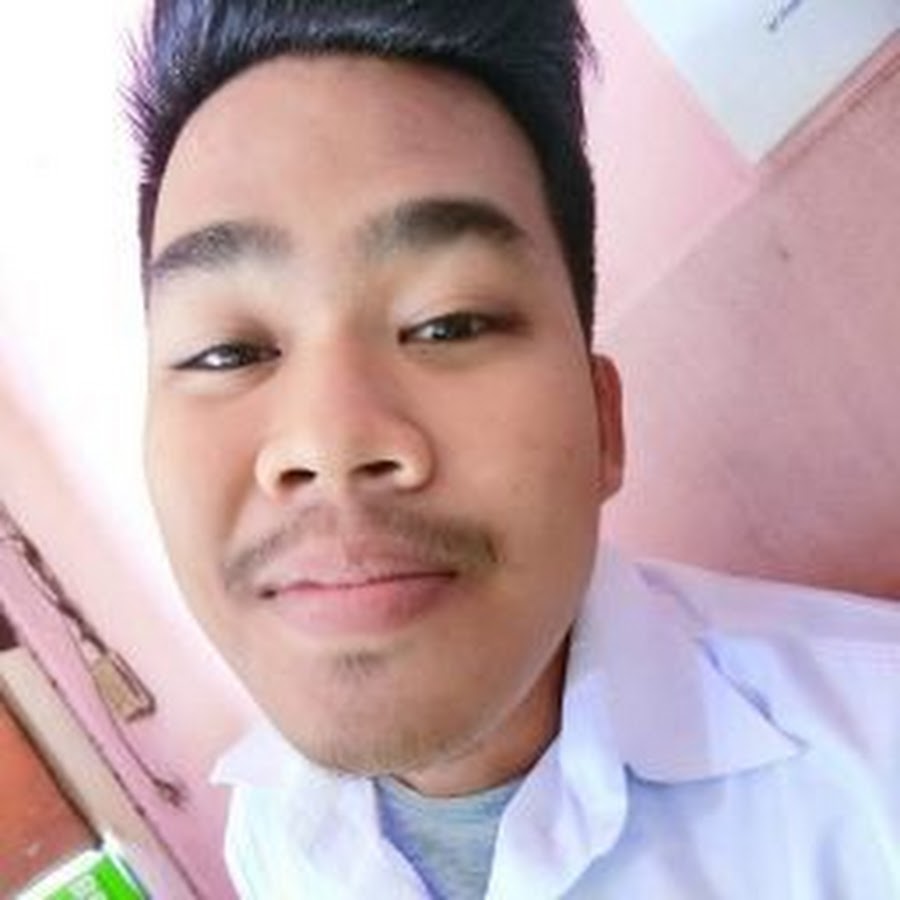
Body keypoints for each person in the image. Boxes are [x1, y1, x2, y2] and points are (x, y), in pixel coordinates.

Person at [131, 1, 900, 897]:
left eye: (448, 324)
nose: (330, 442)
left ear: (604, 422)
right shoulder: (269, 833)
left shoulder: (877, 769)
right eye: (226, 353)